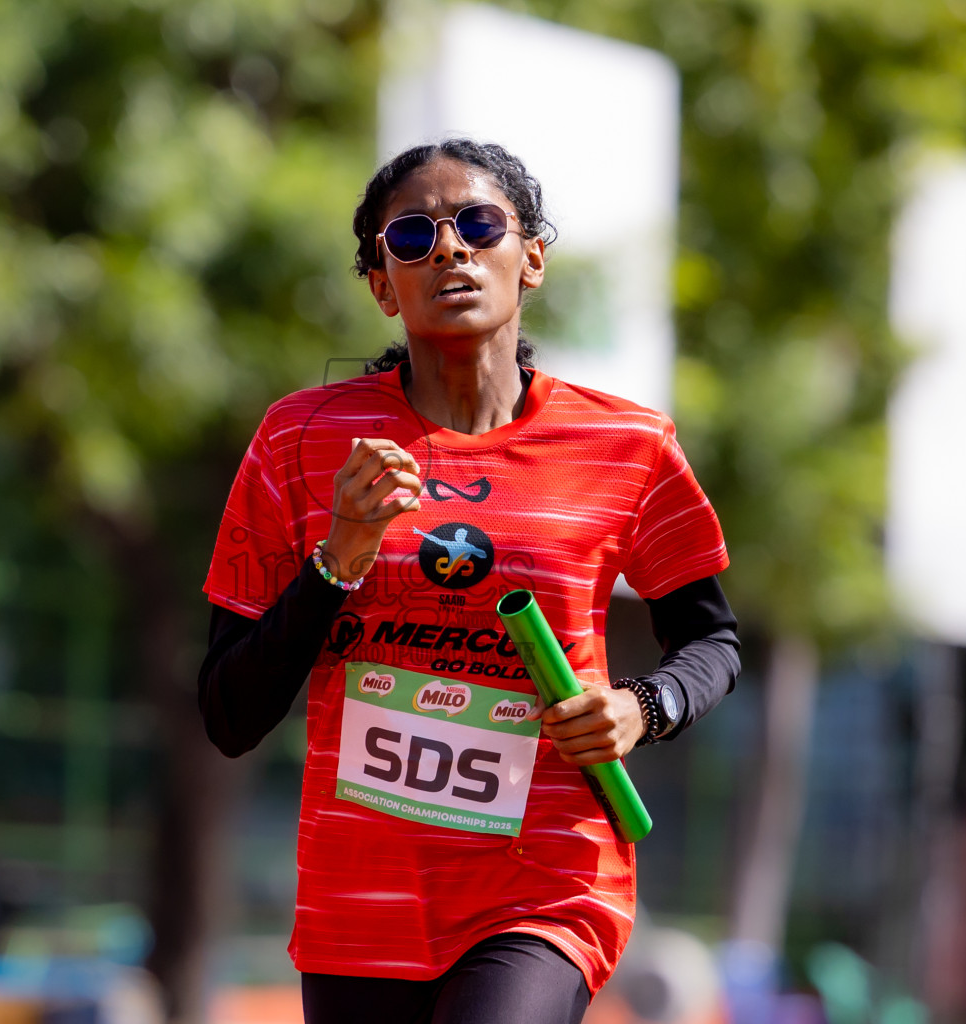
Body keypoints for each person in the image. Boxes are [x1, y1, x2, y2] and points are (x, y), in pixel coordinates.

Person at [199, 139, 740, 1024]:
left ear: (531, 258)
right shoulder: (299, 441)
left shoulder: (627, 446)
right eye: (412, 237)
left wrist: (644, 707)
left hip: (546, 882)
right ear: (382, 286)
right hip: (362, 897)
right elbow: (229, 713)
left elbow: (712, 638)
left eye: (479, 225)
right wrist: (341, 555)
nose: (449, 247)